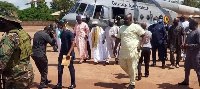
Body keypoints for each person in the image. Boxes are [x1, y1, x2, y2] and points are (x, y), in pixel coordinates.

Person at [0, 13, 34, 89]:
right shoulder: (24, 34)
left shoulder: (10, 38)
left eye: (2, 21)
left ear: (9, 23)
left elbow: (2, 61)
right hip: (27, 74)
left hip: (15, 78)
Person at [113, 14, 146, 89]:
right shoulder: (122, 28)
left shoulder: (136, 27)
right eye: (124, 19)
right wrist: (115, 48)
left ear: (131, 19)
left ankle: (132, 83)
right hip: (123, 51)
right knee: (121, 64)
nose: (125, 20)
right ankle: (133, 75)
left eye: (126, 19)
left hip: (133, 50)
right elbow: (118, 38)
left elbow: (144, 35)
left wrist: (140, 45)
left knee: (132, 66)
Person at [178, 19, 200, 86]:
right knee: (187, 67)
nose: (189, 25)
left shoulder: (198, 32)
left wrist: (189, 45)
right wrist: (184, 45)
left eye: (190, 23)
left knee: (198, 70)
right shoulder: (191, 32)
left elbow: (199, 45)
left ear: (193, 24)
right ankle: (186, 81)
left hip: (196, 54)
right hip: (189, 53)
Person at [54, 22, 76, 89]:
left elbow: (73, 44)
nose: (58, 27)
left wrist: (69, 53)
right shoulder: (62, 33)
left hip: (68, 54)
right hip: (62, 53)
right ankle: (59, 84)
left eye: (59, 26)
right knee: (60, 69)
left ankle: (73, 84)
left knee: (70, 68)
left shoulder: (69, 33)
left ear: (62, 26)